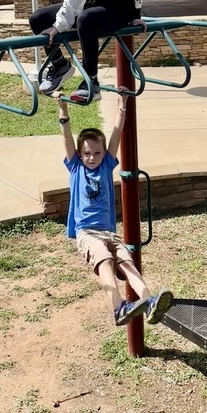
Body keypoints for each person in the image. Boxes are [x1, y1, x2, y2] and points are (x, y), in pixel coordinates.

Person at [56, 88, 174, 326]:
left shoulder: (106, 165)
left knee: (127, 262)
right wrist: (63, 108)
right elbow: (67, 137)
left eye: (97, 152)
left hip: (109, 231)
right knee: (105, 261)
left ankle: (148, 300)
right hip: (87, 232)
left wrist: (123, 104)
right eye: (87, 153)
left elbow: (117, 134)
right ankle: (118, 306)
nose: (92, 157)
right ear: (80, 154)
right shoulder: (76, 168)